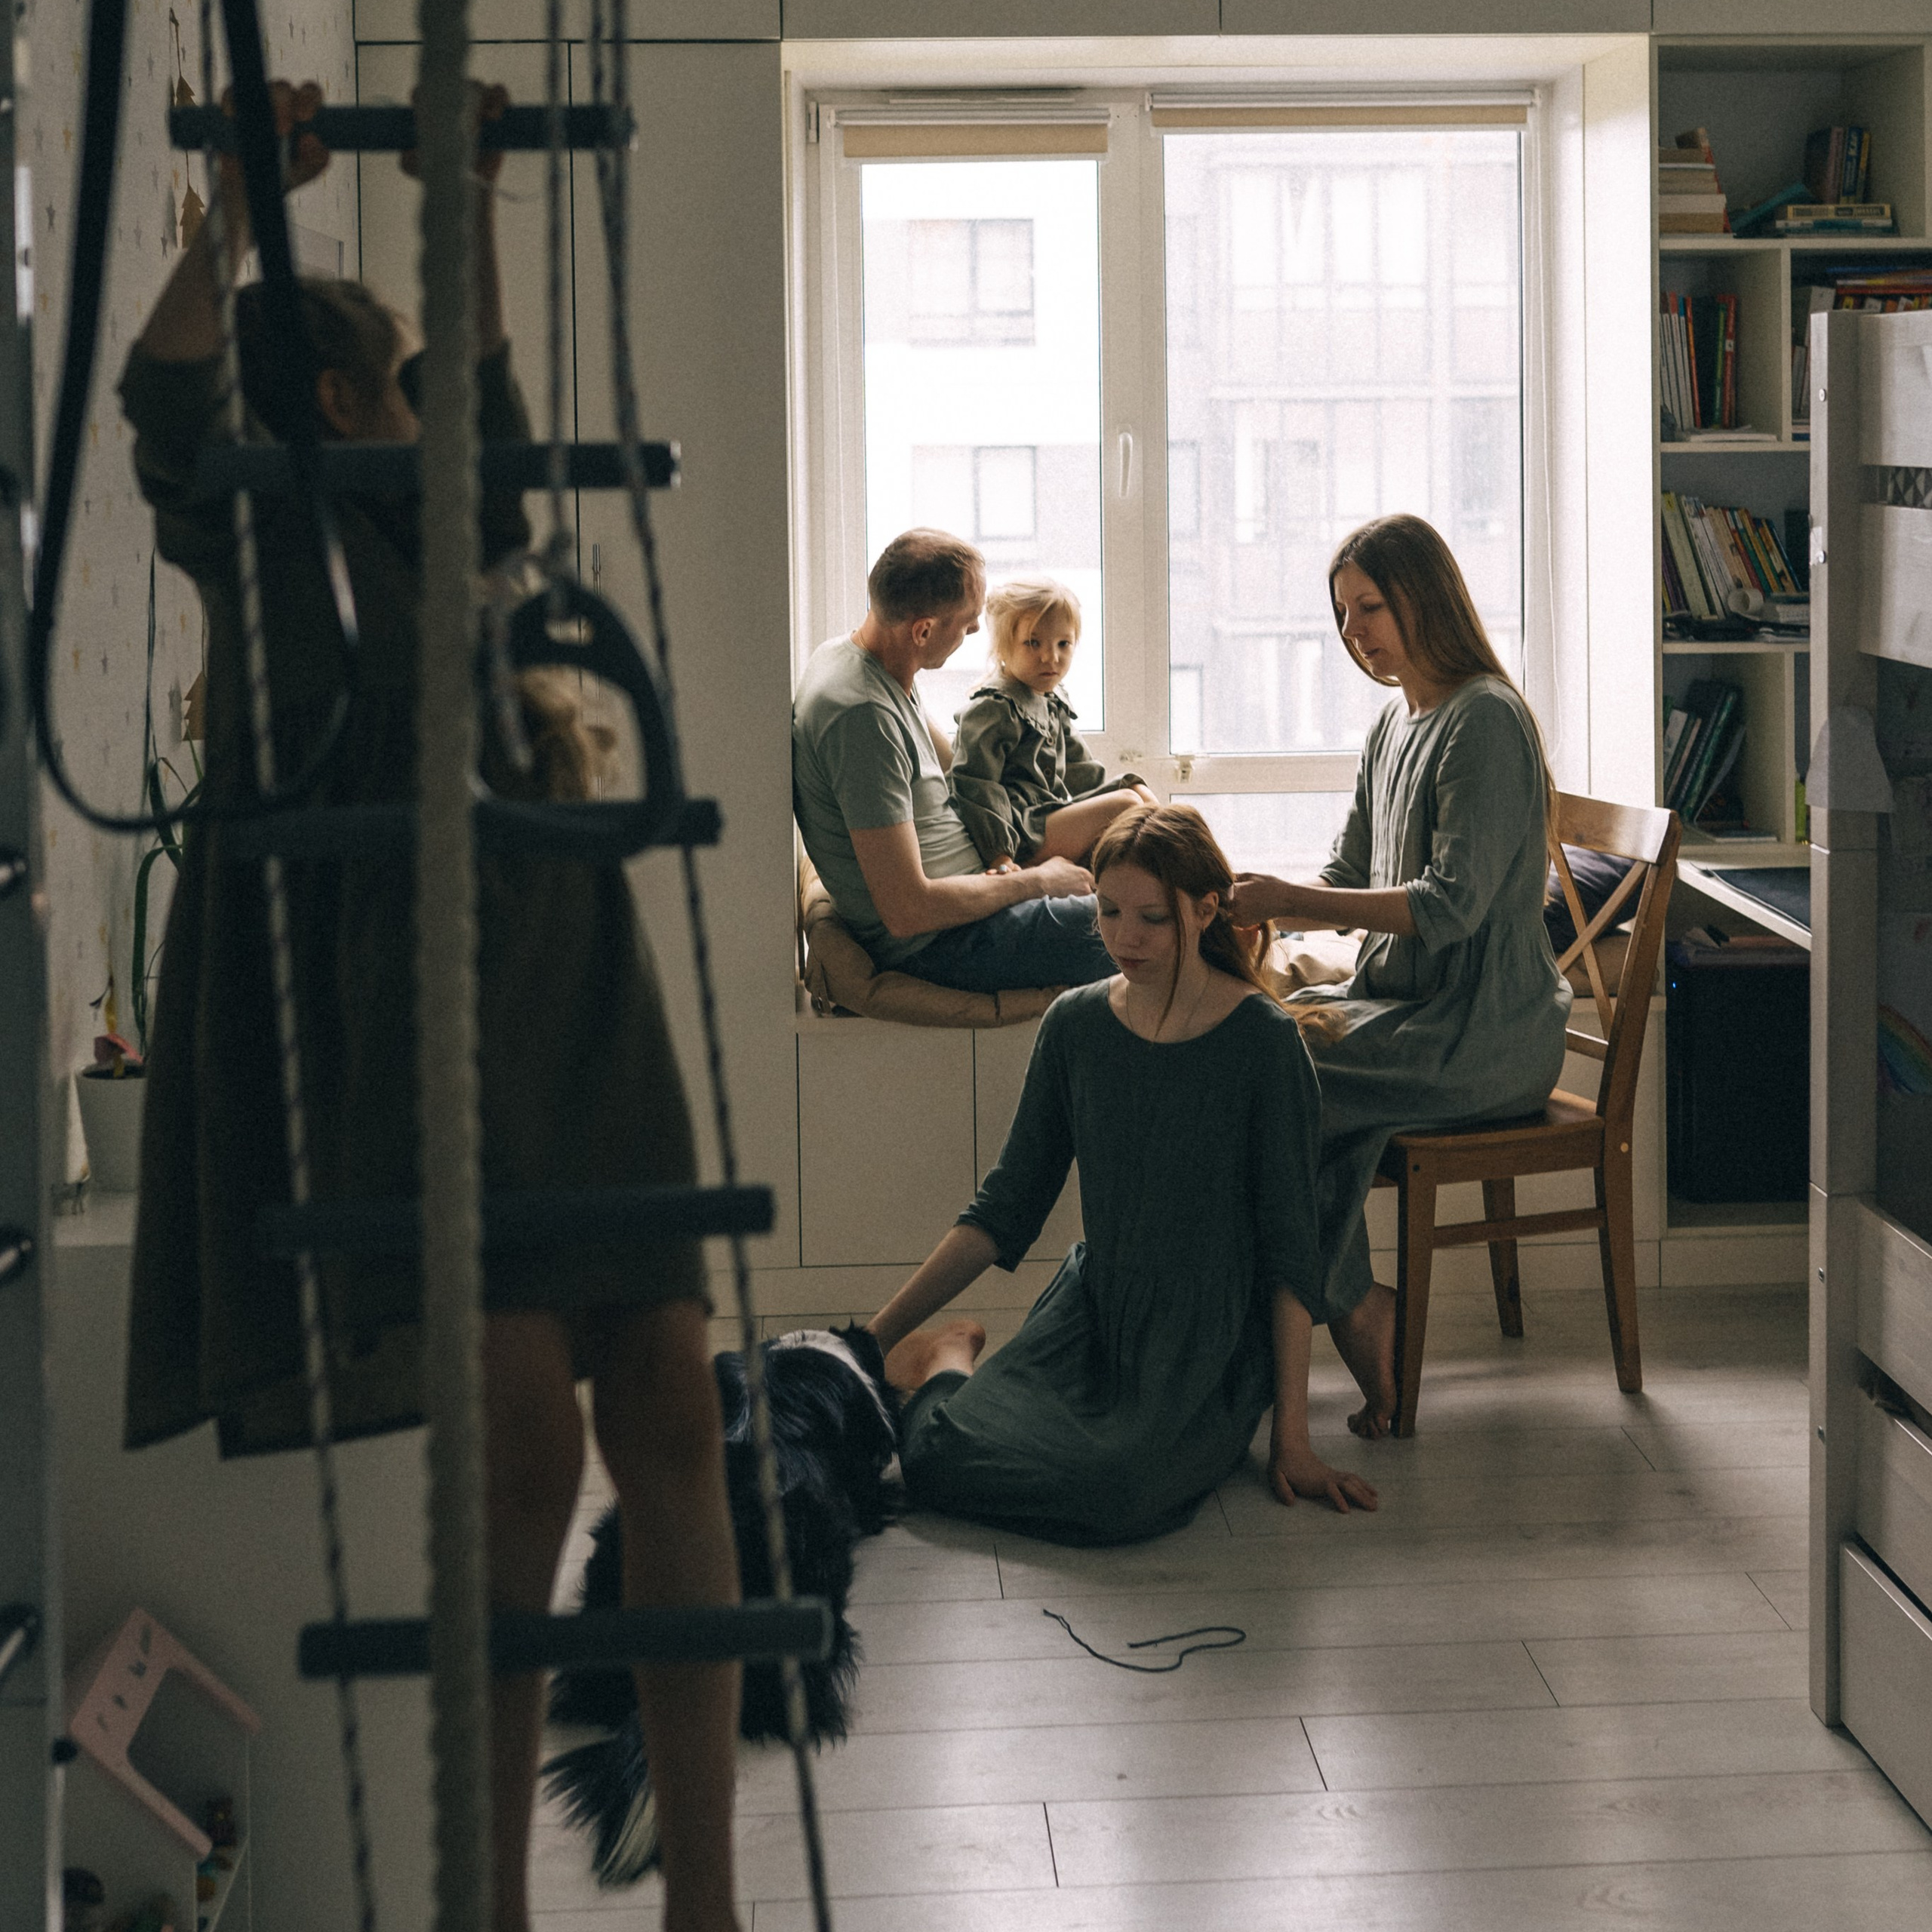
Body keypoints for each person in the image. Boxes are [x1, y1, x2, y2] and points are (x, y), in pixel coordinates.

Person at [119, 84, 743, 1932]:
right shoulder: (268, 552)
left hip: (572, 975)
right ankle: (489, 1899)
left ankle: (703, 1897)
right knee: (524, 1454)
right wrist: (235, 206)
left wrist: (456, 183)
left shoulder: (452, 532)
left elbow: (483, 389)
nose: (419, 407)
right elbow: (164, 402)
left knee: (674, 1418)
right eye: (386, 381)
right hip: (418, 1022)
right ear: (335, 405)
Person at [866, 803, 1379, 1546]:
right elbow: (1004, 1206)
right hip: (1094, 1311)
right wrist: (868, 1339)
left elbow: (1291, 1249)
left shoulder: (1264, 1044)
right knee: (935, 1462)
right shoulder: (1074, 1024)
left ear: (1206, 912)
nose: (1123, 937)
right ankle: (943, 1354)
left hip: (1209, 1343)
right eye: (1106, 911)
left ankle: (953, 1372)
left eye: (1152, 917)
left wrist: (1291, 1441)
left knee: (1122, 1490)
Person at [1227, 514, 1572, 1440]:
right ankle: (1342, 1312)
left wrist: (1289, 894)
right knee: (1265, 1049)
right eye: (1342, 616)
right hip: (1403, 1011)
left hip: (1483, 1031)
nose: (1355, 634)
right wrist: (1252, 904)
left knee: (1264, 1070)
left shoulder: (1485, 721)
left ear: (1424, 595)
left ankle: (1333, 1317)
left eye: (1370, 608)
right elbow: (1344, 879)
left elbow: (1450, 905)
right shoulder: (1395, 722)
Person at [792, 531, 1116, 995]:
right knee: (1160, 921)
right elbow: (907, 911)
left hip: (977, 892)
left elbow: (952, 767)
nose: (976, 631)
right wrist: (1038, 882)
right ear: (923, 630)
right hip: (945, 940)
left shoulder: (874, 660)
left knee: (1143, 862)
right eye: (967, 622)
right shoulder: (860, 716)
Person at [948, 574, 1156, 869]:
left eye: (1064, 644)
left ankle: (1192, 877)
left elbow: (1082, 771)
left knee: (1138, 793)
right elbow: (975, 786)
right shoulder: (993, 708)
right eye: (1033, 643)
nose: (1051, 657)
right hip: (1018, 833)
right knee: (1128, 806)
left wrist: (1117, 794)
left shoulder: (1053, 700)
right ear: (1003, 647)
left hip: (1049, 816)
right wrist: (1000, 855)